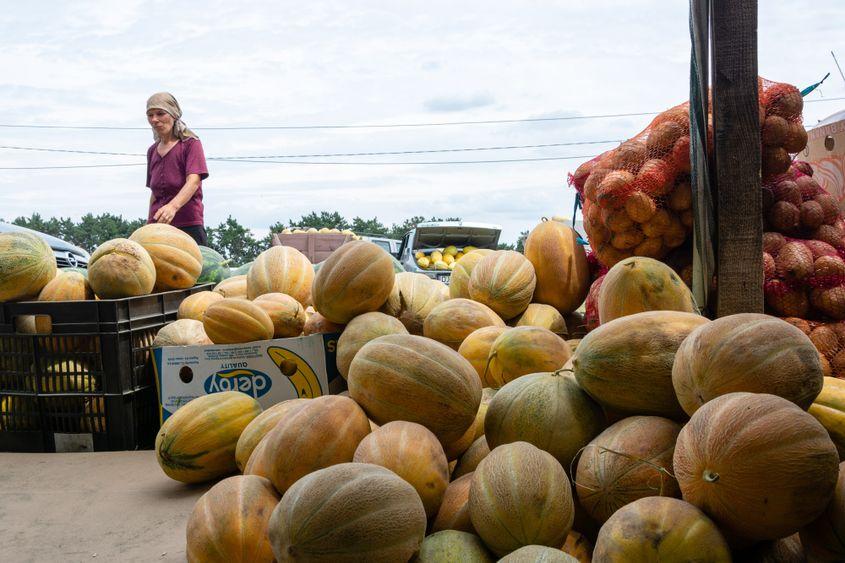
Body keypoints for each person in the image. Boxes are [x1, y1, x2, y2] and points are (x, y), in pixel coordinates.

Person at [145, 92, 209, 245]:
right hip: (159, 229)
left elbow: (194, 181)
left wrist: (172, 207)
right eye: (150, 115)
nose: (154, 119)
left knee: (196, 267)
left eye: (160, 113)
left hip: (188, 225)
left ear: (173, 115)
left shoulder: (191, 144)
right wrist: (148, 224)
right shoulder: (152, 151)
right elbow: (154, 193)